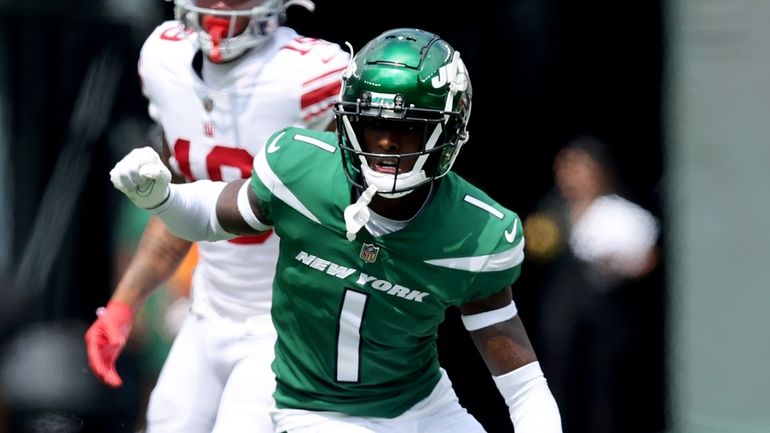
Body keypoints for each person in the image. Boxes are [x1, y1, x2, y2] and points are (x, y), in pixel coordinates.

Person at [108, 28, 562, 433]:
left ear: (447, 132)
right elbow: (211, 215)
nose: (385, 141)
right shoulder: (300, 169)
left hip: (424, 408)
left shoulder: (472, 232)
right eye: (372, 124)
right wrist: (162, 198)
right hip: (315, 411)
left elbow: (521, 382)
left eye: (406, 128)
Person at [84, 1, 350, 432]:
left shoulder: (315, 75)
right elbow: (181, 211)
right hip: (207, 310)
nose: (221, 5)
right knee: (165, 421)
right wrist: (121, 305)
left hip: (286, 324)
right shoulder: (163, 60)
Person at [522, 136, 660, 433]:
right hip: (561, 328)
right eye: (564, 167)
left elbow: (647, 260)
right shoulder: (551, 211)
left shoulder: (623, 215)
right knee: (560, 391)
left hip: (608, 325)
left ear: (598, 171)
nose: (569, 175)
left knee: (606, 395)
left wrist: (617, 263)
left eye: (578, 167)